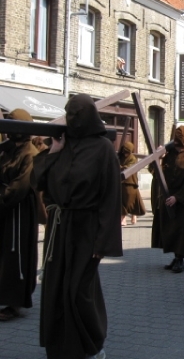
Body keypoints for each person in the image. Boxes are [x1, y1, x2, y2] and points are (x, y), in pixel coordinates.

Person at [32, 94, 122, 359]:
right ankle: (61, 347)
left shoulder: (103, 149)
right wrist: (52, 154)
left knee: (79, 291)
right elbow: (37, 182)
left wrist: (103, 241)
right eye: (69, 114)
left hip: (87, 230)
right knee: (56, 288)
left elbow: (110, 198)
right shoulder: (63, 144)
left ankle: (92, 345)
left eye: (77, 114)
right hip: (59, 229)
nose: (73, 120)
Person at [0, 109, 39, 322]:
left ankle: (14, 302)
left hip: (19, 212)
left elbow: (19, 187)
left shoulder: (30, 154)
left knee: (17, 256)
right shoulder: (8, 150)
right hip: (5, 211)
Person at [152, 126, 184, 273]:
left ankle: (180, 259)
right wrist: (157, 157)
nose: (178, 146)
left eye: (180, 143)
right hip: (167, 197)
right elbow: (155, 172)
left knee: (180, 231)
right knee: (169, 231)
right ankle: (175, 257)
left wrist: (177, 197)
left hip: (182, 201)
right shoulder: (169, 153)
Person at [119, 141, 146, 226]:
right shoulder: (120, 157)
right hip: (121, 183)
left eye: (127, 152)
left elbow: (128, 169)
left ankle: (133, 215)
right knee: (122, 201)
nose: (125, 154)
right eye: (124, 152)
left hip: (131, 183)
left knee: (130, 200)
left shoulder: (132, 159)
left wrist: (120, 167)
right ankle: (123, 218)